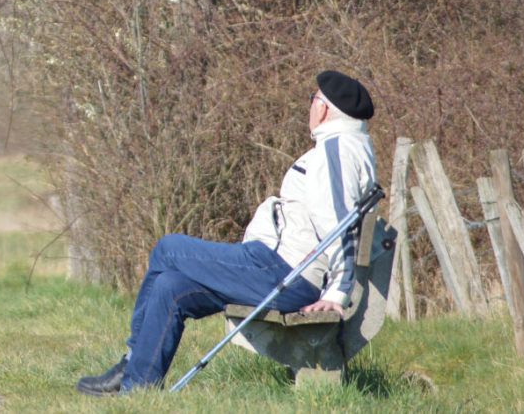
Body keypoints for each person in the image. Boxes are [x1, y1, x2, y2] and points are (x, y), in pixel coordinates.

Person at [75, 70, 377, 396]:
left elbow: (338, 223)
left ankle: (131, 360)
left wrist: (337, 293)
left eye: (312, 99)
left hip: (283, 273)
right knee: (170, 286)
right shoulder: (348, 147)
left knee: (168, 249)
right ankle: (139, 389)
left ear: (324, 108)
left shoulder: (336, 151)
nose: (309, 108)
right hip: (280, 269)